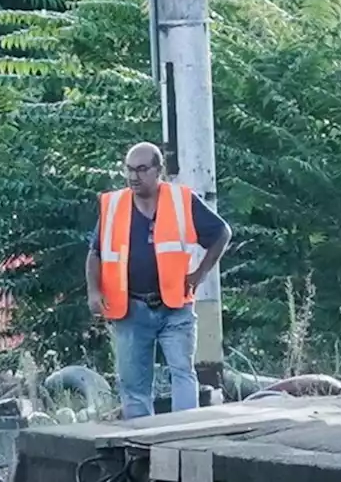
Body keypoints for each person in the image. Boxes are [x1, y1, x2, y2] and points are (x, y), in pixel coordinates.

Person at [85, 142, 232, 420]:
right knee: (134, 386)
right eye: (129, 169)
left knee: (182, 373)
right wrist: (94, 292)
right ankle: (143, 450)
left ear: (158, 170)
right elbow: (95, 253)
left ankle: (185, 441)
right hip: (130, 308)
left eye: (141, 169)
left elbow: (222, 233)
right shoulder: (114, 205)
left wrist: (200, 273)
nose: (133, 177)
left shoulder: (182, 201)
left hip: (175, 305)